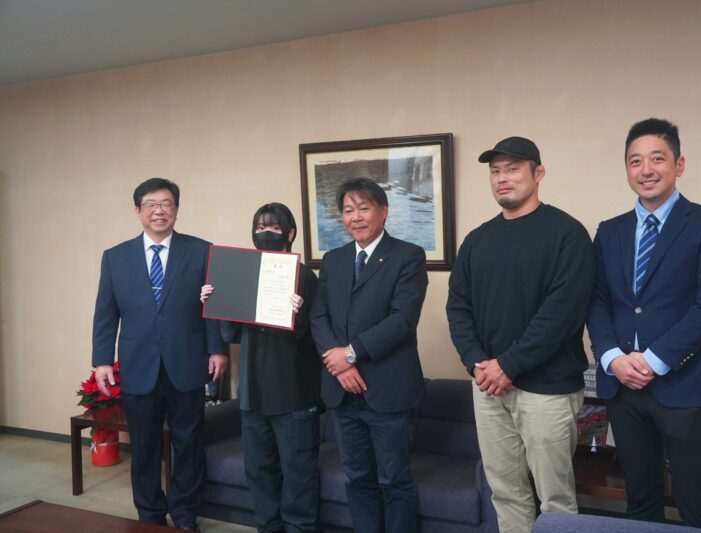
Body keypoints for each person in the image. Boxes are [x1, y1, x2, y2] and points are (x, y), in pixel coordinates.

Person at [586, 118, 701, 529]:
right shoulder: (610, 232)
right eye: (635, 161)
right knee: (640, 501)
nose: (646, 170)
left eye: (657, 159)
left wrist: (654, 360)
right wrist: (612, 358)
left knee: (697, 505)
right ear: (627, 169)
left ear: (679, 164)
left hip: (685, 386)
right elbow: (597, 301)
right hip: (623, 388)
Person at [446, 136, 595, 532]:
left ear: (538, 173)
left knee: (556, 501)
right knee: (506, 493)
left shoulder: (567, 234)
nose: (502, 178)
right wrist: (477, 363)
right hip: (488, 388)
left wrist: (508, 365)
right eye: (495, 171)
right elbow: (458, 307)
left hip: (547, 389)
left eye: (512, 169)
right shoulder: (477, 240)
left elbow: (561, 315)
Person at [91, 177, 228, 532]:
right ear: (138, 211)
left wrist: (217, 349)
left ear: (176, 210)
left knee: (188, 445)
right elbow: (105, 313)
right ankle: (150, 516)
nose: (159, 210)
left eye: (166, 203)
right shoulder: (115, 257)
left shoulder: (202, 251)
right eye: (151, 204)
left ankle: (185, 514)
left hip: (187, 362)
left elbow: (213, 306)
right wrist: (102, 360)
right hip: (139, 366)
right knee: (145, 448)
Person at [310, 177, 428, 533]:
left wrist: (350, 354)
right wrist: (339, 364)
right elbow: (318, 317)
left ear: (383, 211)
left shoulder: (408, 256)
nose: (356, 217)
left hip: (387, 391)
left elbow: (402, 320)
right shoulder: (334, 259)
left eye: (364, 208)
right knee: (358, 477)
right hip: (343, 393)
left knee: (393, 480)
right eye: (348, 210)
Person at [200, 202, 321, 533]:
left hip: (294, 396)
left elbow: (316, 337)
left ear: (290, 234)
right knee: (258, 471)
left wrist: (298, 313)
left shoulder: (305, 277)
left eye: (274, 227)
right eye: (260, 227)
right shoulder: (245, 273)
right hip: (252, 396)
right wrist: (217, 302)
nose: (266, 233)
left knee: (298, 475)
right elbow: (232, 335)